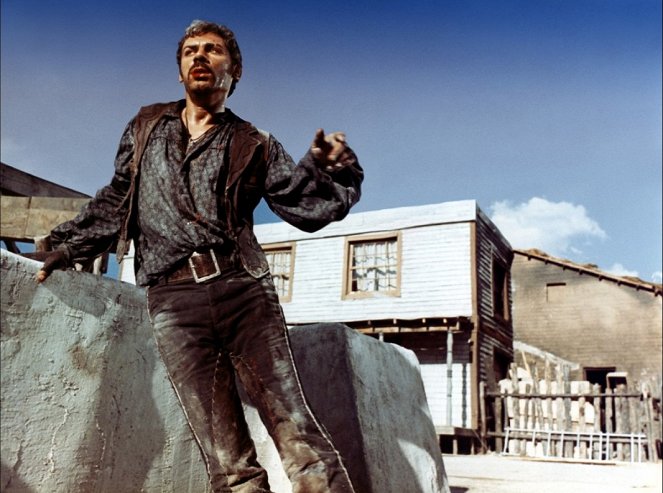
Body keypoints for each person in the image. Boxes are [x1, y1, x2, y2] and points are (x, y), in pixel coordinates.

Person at [36, 19, 362, 493]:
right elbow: (119, 197)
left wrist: (335, 168)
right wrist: (68, 246)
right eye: (190, 51)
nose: (200, 57)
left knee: (299, 437)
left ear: (234, 70)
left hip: (244, 294)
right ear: (180, 70)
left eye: (212, 50)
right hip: (173, 304)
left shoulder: (254, 142)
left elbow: (302, 205)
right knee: (228, 462)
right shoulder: (146, 126)